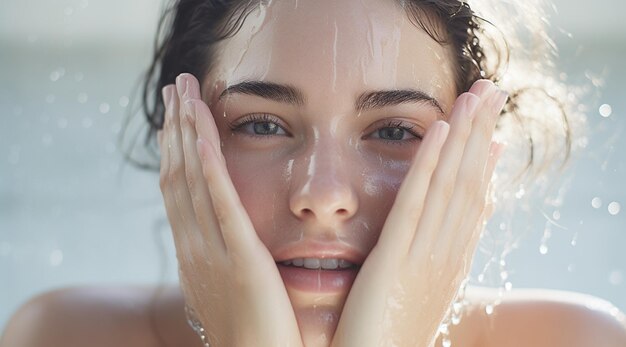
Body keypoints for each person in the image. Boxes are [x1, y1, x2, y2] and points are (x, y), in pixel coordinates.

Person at [2, 0, 626, 346]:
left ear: (476, 165)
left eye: (393, 132)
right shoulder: (63, 336)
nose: (322, 196)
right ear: (181, 144)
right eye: (263, 125)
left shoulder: (581, 341)